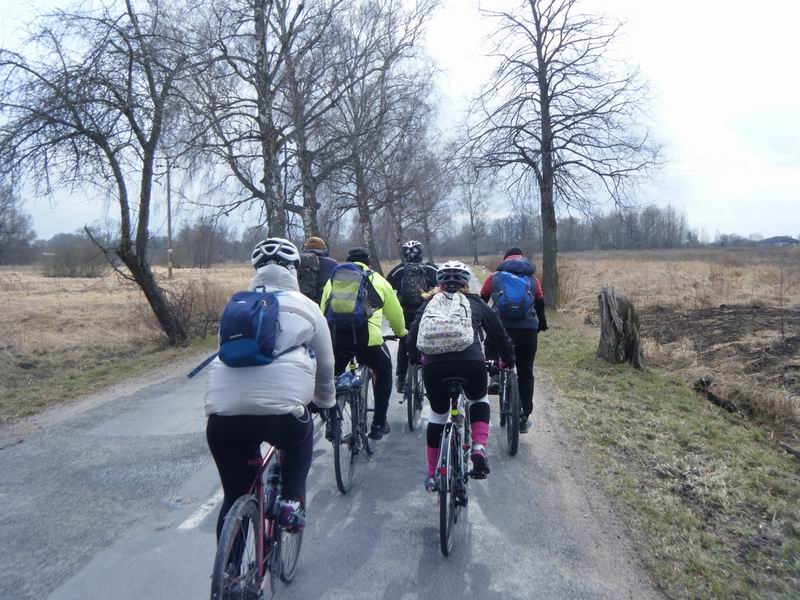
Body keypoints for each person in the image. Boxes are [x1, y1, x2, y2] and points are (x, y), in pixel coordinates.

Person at [205, 238, 335, 536]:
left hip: (222, 420)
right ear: (293, 271)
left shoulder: (236, 306)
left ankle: (231, 574)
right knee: (300, 437)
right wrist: (325, 401)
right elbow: (326, 365)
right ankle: (290, 502)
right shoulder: (308, 307)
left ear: (256, 270)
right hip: (281, 418)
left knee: (234, 496)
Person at [407, 260, 515, 489]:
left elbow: (412, 335)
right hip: (471, 363)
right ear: (466, 283)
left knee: (438, 415)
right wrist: (507, 360)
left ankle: (432, 475)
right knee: (478, 398)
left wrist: (416, 358)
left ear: (440, 284)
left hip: (434, 367)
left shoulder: (428, 304)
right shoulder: (475, 302)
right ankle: (478, 447)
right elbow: (499, 334)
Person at [320, 247, 406, 440]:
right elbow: (395, 313)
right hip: (368, 342)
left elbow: (323, 309)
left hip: (337, 340)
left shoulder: (333, 280)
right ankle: (378, 424)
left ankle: (333, 423)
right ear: (368, 263)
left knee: (334, 376)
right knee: (384, 372)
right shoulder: (377, 280)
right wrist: (401, 332)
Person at [480, 246, 548, 434]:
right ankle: (524, 415)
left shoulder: (494, 278)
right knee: (526, 371)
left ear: (505, 260)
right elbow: (540, 304)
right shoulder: (532, 279)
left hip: (501, 328)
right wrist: (541, 325)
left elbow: (482, 301)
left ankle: (494, 374)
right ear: (523, 260)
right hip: (527, 331)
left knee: (491, 343)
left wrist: (481, 322)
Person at [386, 240, 438, 393]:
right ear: (420, 253)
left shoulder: (398, 270)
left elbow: (387, 288)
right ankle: (432, 378)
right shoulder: (431, 269)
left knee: (404, 342)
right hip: (426, 312)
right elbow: (443, 287)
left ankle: (401, 378)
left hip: (405, 313)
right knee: (429, 341)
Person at [296, 236, 338, 305]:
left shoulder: (298, 261)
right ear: (324, 249)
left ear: (305, 248)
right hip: (324, 305)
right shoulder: (332, 264)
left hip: (302, 305)